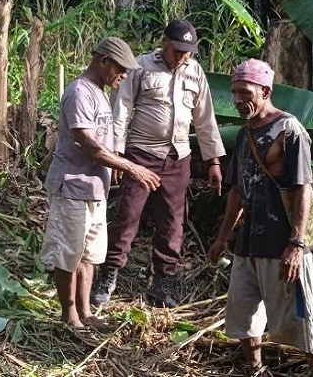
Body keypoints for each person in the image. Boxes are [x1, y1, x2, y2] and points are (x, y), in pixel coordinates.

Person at [206, 59, 313, 377]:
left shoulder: (289, 131)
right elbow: (237, 191)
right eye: (233, 93)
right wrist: (222, 238)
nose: (236, 100)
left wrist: (296, 244)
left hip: (284, 246)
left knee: (302, 324)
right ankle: (256, 370)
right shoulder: (247, 132)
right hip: (249, 244)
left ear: (265, 91)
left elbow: (303, 188)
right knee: (244, 316)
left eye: (244, 92)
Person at [92, 19, 226, 308]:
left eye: (188, 52)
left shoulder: (195, 73)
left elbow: (205, 119)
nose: (182, 56)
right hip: (141, 154)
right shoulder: (140, 66)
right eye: (178, 50)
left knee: (172, 222)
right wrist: (117, 156)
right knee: (128, 215)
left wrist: (213, 160)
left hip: (178, 159)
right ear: (164, 42)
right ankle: (109, 274)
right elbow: (121, 110)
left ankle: (163, 282)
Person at [41, 37, 162, 329]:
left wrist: (117, 165)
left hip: (95, 189)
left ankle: (85, 312)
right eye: (121, 69)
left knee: (89, 254)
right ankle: (68, 314)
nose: (124, 75)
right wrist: (130, 166)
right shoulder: (79, 92)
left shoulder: (100, 92)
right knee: (68, 254)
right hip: (73, 186)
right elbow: (88, 144)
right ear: (103, 61)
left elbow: (102, 142)